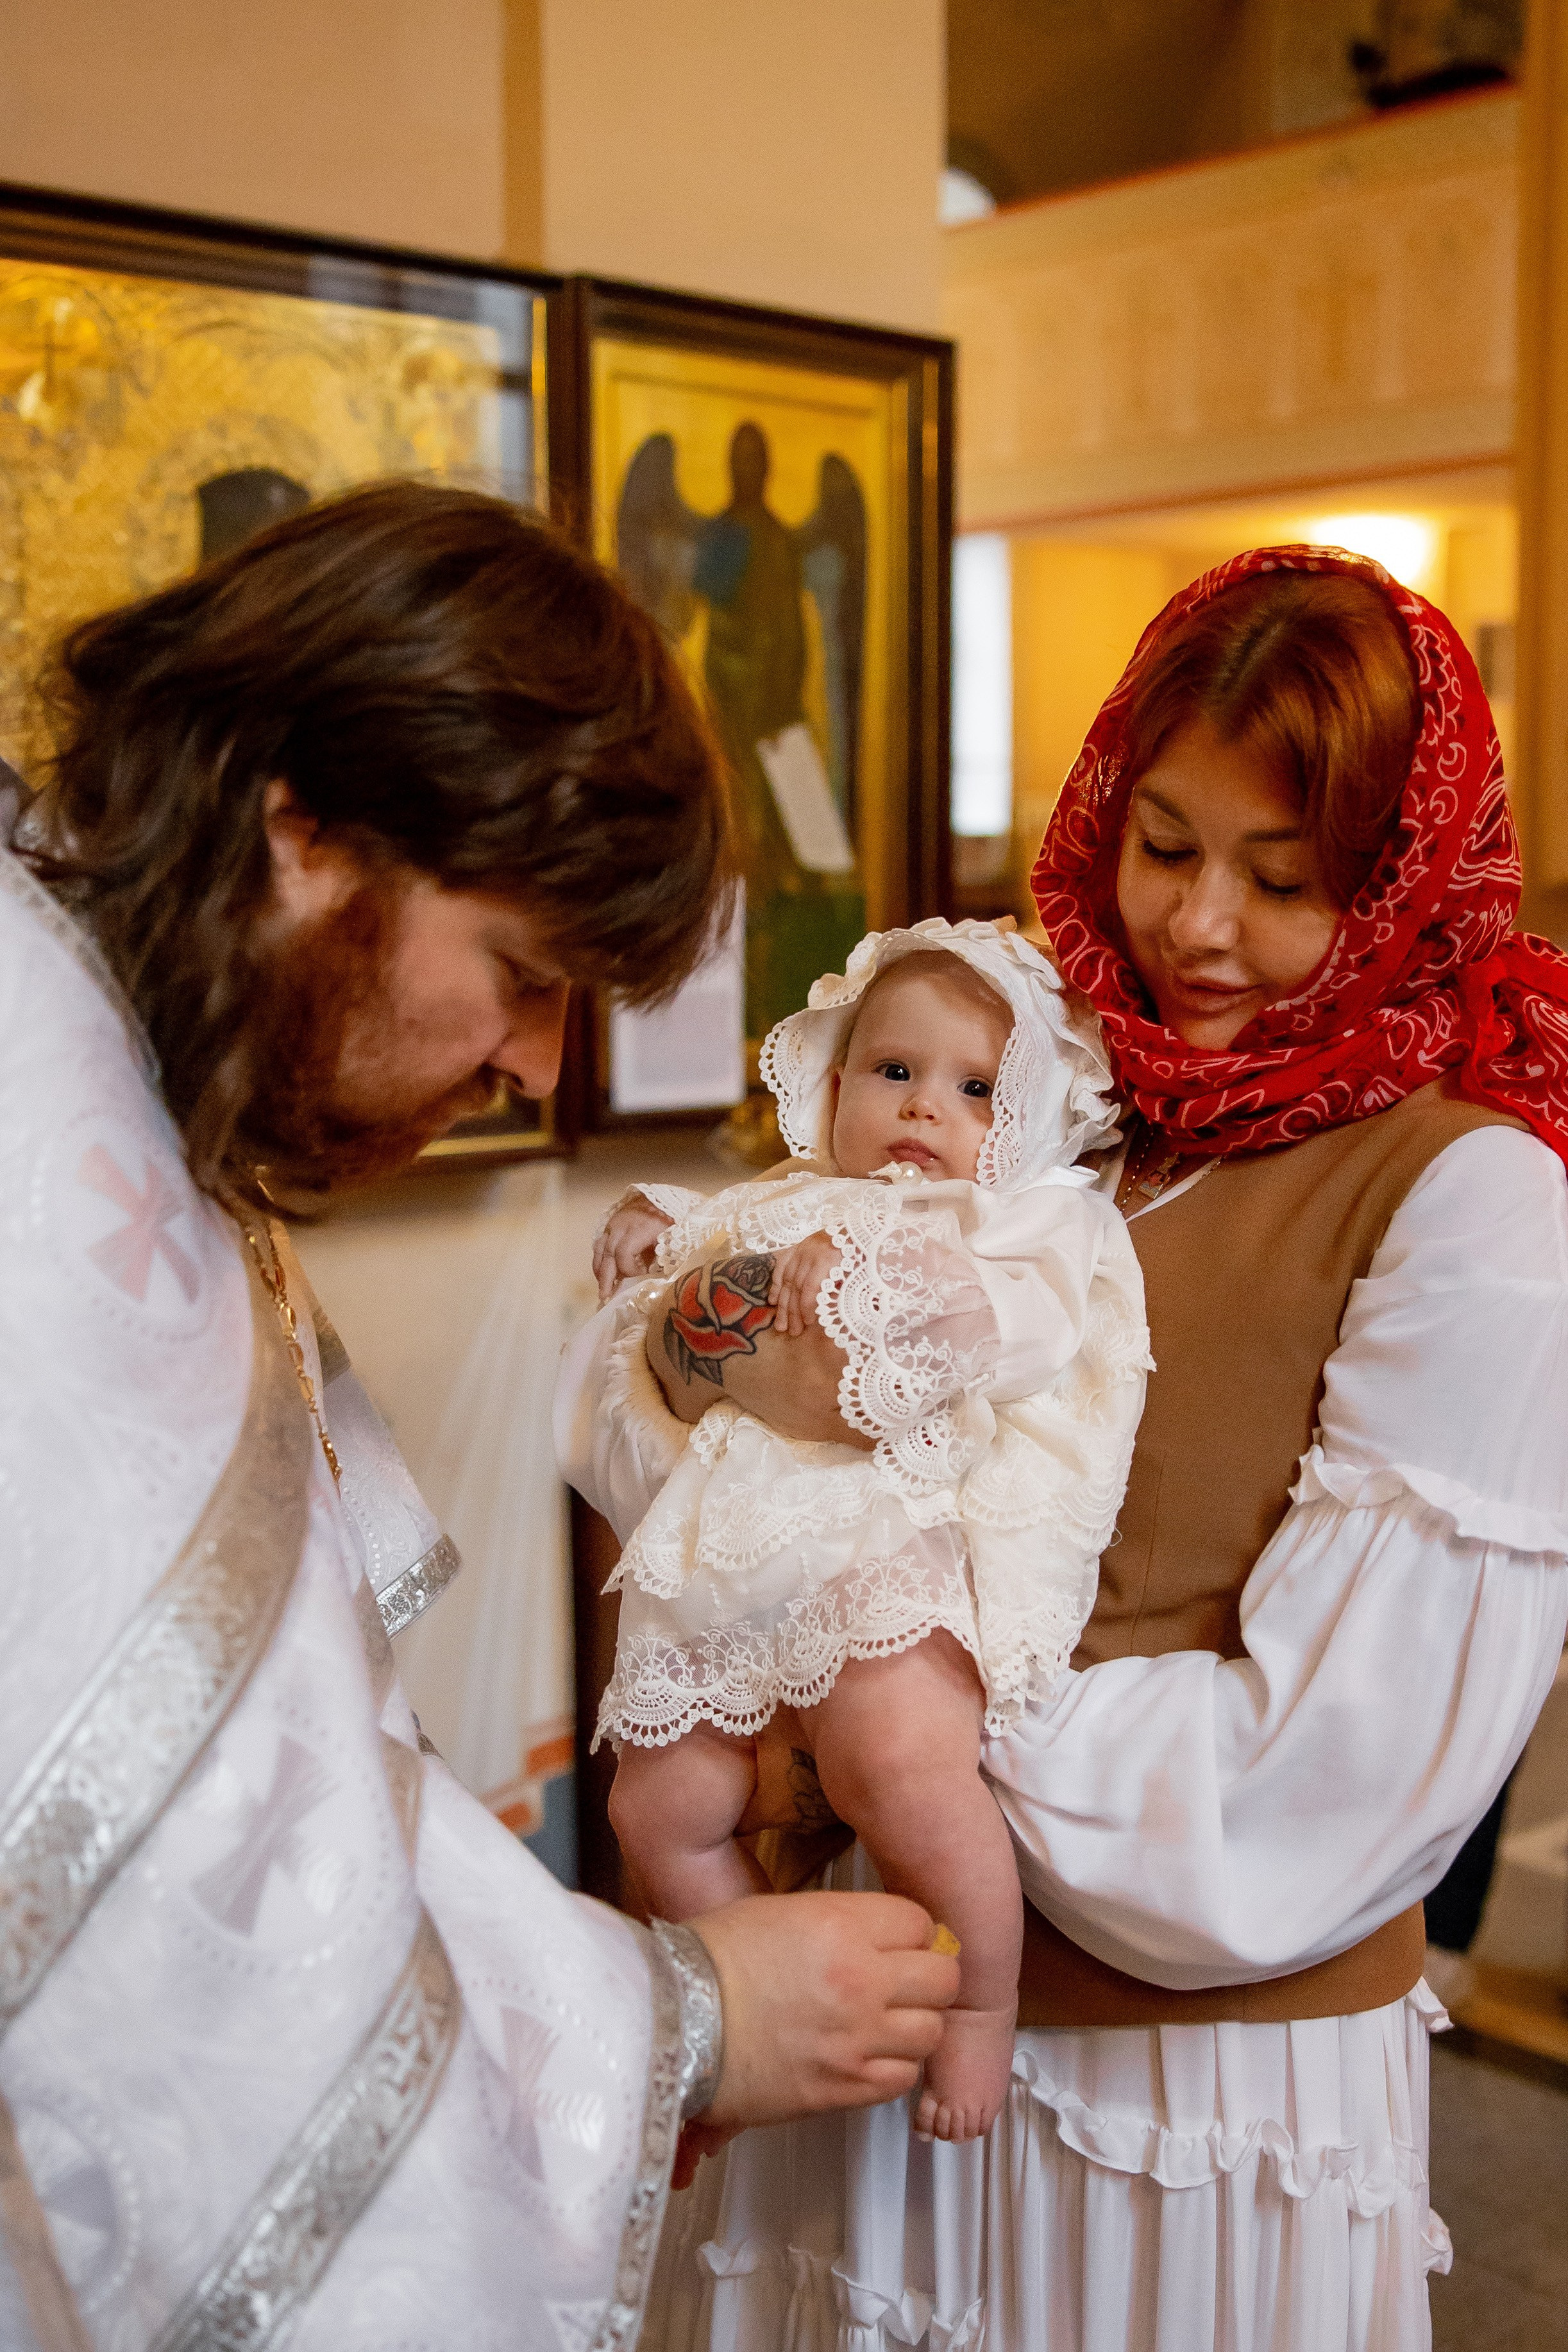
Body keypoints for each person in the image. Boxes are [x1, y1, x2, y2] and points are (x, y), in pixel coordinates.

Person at [0, 481, 960, 2351]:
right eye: (521, 978)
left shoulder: (107, 1054)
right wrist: (673, 2020)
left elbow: (293, 1792)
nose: (528, 1061)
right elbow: (156, 1951)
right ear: (301, 829)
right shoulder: (35, 1153)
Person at [599, 548, 1568, 2352]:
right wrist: (700, 1337)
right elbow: (658, 1399)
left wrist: (854, 1731)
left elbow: (1325, 1772)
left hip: (1176, 2104)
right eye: (1164, 843)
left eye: (1284, 881)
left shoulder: (1470, 1198)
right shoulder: (1030, 1088)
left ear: (1398, 883)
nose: (1196, 927)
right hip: (861, 2026)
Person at [559, 919, 1149, 2142]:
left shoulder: (1022, 1220)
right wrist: (646, 1224)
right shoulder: (787, 1195)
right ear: (831, 1083)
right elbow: (701, 1239)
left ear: (1031, 1117)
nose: (924, 1109)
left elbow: (1032, 1328)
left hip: (880, 1556)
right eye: (893, 1072)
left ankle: (980, 2002)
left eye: (976, 1088)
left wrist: (874, 1286)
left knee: (901, 1768)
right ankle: (745, 1991)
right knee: (651, 1816)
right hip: (724, 1579)